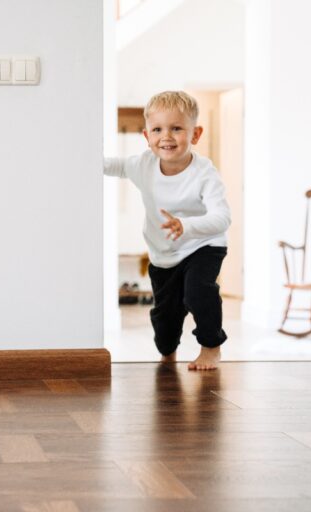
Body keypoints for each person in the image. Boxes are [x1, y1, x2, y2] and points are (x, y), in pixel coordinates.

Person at [104, 91, 231, 370]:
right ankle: (167, 353)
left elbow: (222, 218)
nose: (167, 137)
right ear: (146, 136)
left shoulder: (204, 173)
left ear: (195, 134)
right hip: (164, 254)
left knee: (198, 293)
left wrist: (187, 226)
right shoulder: (143, 165)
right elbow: (115, 166)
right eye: (158, 129)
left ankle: (211, 347)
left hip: (203, 244)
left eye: (177, 128)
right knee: (165, 316)